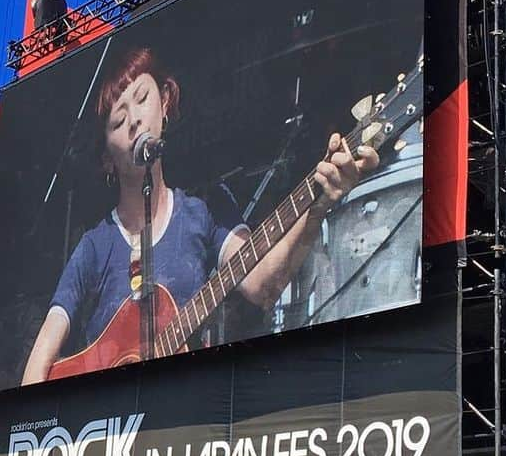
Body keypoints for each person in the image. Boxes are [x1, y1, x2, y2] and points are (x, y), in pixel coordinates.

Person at [22, 47, 379, 385]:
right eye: (118, 120)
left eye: (143, 100)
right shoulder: (94, 246)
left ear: (165, 104)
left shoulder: (205, 210)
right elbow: (39, 364)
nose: (134, 120)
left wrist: (317, 206)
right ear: (106, 160)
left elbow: (263, 284)